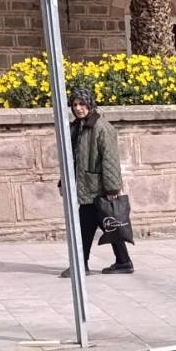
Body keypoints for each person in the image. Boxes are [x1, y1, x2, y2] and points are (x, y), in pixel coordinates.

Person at [59, 88, 133, 277]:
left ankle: (80, 265)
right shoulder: (77, 127)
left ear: (90, 104)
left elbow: (110, 160)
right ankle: (123, 261)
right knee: (109, 223)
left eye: (82, 104)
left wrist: (112, 188)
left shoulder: (101, 128)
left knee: (85, 227)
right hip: (87, 187)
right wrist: (63, 182)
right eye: (75, 105)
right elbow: (72, 159)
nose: (78, 108)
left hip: (97, 188)